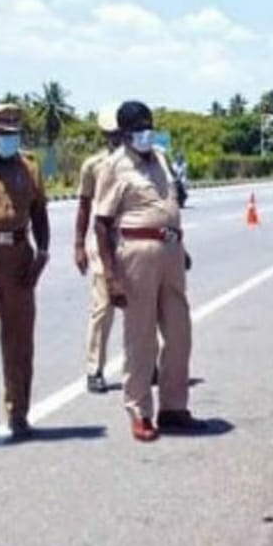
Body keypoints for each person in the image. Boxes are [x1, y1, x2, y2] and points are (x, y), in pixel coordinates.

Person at [94, 100, 204, 442]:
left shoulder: (160, 158)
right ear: (124, 134)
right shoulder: (113, 166)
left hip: (170, 250)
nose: (145, 133)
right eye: (138, 128)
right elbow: (101, 223)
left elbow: (168, 205)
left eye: (148, 126)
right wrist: (111, 277)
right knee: (140, 337)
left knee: (179, 331)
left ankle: (173, 406)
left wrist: (179, 247)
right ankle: (139, 410)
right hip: (136, 253)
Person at [0, 104, 50, 440]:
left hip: (19, 260)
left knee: (19, 343)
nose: (9, 140)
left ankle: (19, 415)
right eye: (3, 134)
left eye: (15, 134)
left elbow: (40, 213)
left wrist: (43, 252)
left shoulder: (29, 167)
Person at [74, 104, 123, 394]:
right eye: (111, 134)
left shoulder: (144, 162)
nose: (115, 138)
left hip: (136, 240)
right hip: (103, 241)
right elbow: (83, 207)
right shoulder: (94, 165)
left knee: (142, 308)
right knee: (102, 308)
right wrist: (79, 244)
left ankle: (146, 364)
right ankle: (95, 369)